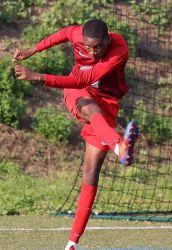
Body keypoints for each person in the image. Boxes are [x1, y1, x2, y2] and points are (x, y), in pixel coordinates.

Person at [13, 19, 140, 249]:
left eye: (98, 47)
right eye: (88, 47)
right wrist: (32, 50)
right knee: (91, 110)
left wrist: (39, 77)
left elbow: (86, 77)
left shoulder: (119, 48)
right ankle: (119, 146)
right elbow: (62, 34)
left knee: (91, 173)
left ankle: (72, 243)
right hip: (77, 93)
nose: (92, 52)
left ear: (108, 40)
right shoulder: (77, 33)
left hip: (107, 104)